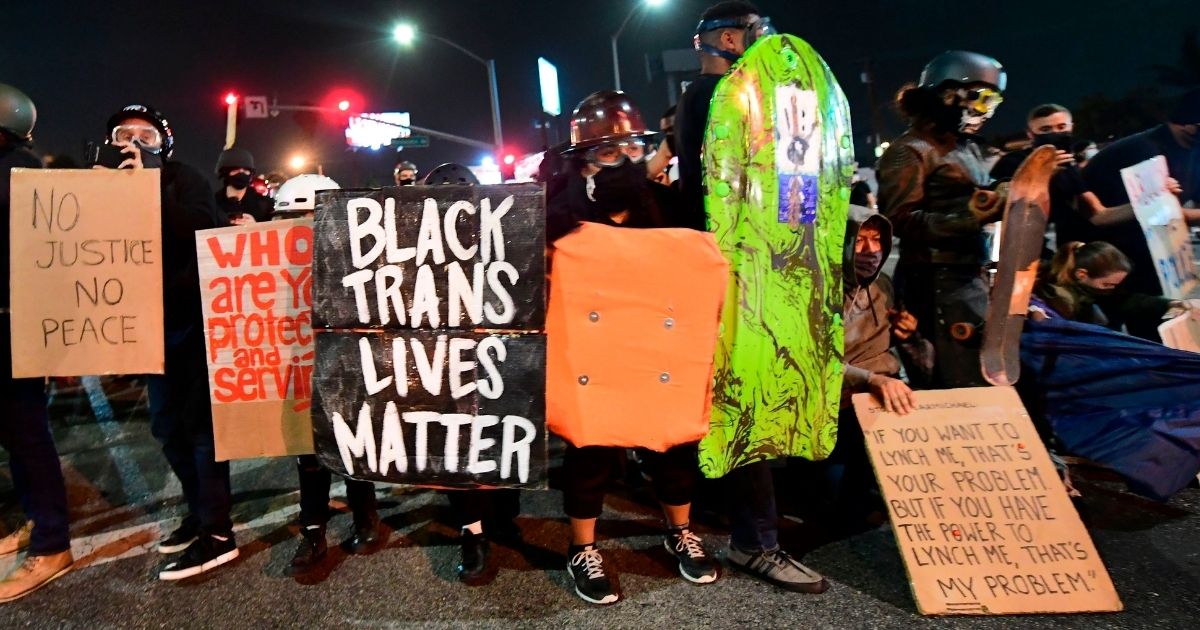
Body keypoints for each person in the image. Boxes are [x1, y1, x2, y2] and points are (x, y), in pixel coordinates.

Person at [675, 1, 828, 596]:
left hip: (765, 268)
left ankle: (748, 521)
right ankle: (754, 540)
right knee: (746, 399)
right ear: (732, 38)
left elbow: (799, 190)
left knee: (765, 394)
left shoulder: (745, 97)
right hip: (732, 272)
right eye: (754, 36)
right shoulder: (714, 96)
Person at [550, 91, 720, 605]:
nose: (622, 161)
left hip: (655, 348)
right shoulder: (559, 207)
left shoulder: (663, 204)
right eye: (608, 152)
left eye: (630, 150)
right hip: (591, 354)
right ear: (584, 157)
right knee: (589, 450)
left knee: (671, 442)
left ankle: (679, 529)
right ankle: (582, 547)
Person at [97, 104, 236, 580]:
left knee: (201, 430)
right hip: (144, 324)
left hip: (190, 321)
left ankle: (218, 534)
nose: (135, 141)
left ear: (164, 143)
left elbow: (200, 231)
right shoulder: (99, 184)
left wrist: (151, 183)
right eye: (124, 133)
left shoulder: (184, 178)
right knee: (165, 428)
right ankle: (200, 514)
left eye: (147, 134)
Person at [269, 174, 384, 575]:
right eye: (292, 218)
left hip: (345, 364)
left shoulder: (358, 253)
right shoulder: (269, 264)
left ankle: (366, 517)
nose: (301, 228)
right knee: (308, 453)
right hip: (298, 366)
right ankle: (313, 530)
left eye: (309, 217)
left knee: (355, 440)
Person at [878, 50, 1008, 389]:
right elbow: (898, 220)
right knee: (958, 377)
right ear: (946, 94)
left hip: (971, 273)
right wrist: (971, 216)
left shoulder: (964, 146)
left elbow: (973, 196)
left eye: (992, 102)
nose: (985, 112)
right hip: (937, 281)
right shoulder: (910, 149)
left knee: (984, 368)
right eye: (979, 99)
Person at [0, 83, 74, 603]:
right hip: (12, 323)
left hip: (8, 326)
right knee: (17, 436)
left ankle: (51, 542)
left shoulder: (17, 175)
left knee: (25, 435)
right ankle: (35, 523)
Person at [1082, 88, 1200, 300]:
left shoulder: (1193, 150)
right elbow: (1163, 213)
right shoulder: (1144, 151)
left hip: (1148, 249)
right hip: (1108, 253)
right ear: (1191, 125)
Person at [675, 1, 771, 232]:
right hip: (731, 242)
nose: (764, 44)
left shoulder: (698, 93)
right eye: (756, 34)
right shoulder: (721, 94)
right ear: (729, 40)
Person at [990, 104, 1132, 248]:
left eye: (1061, 127)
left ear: (1071, 128)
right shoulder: (1012, 162)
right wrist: (1043, 173)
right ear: (1030, 134)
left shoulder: (1069, 166)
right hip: (1025, 252)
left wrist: (1144, 206)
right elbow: (1005, 210)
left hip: (1067, 252)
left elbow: (1097, 214)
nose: (1055, 133)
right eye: (1045, 130)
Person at [1028, 241, 1185, 330]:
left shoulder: (1087, 288)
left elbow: (1125, 301)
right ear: (1082, 275)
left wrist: (1168, 304)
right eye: (1107, 284)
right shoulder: (1058, 298)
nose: (1112, 289)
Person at [214, 146, 273, 224]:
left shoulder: (265, 204)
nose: (241, 172)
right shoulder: (213, 204)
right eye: (235, 169)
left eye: (246, 169)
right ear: (225, 172)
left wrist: (256, 227)